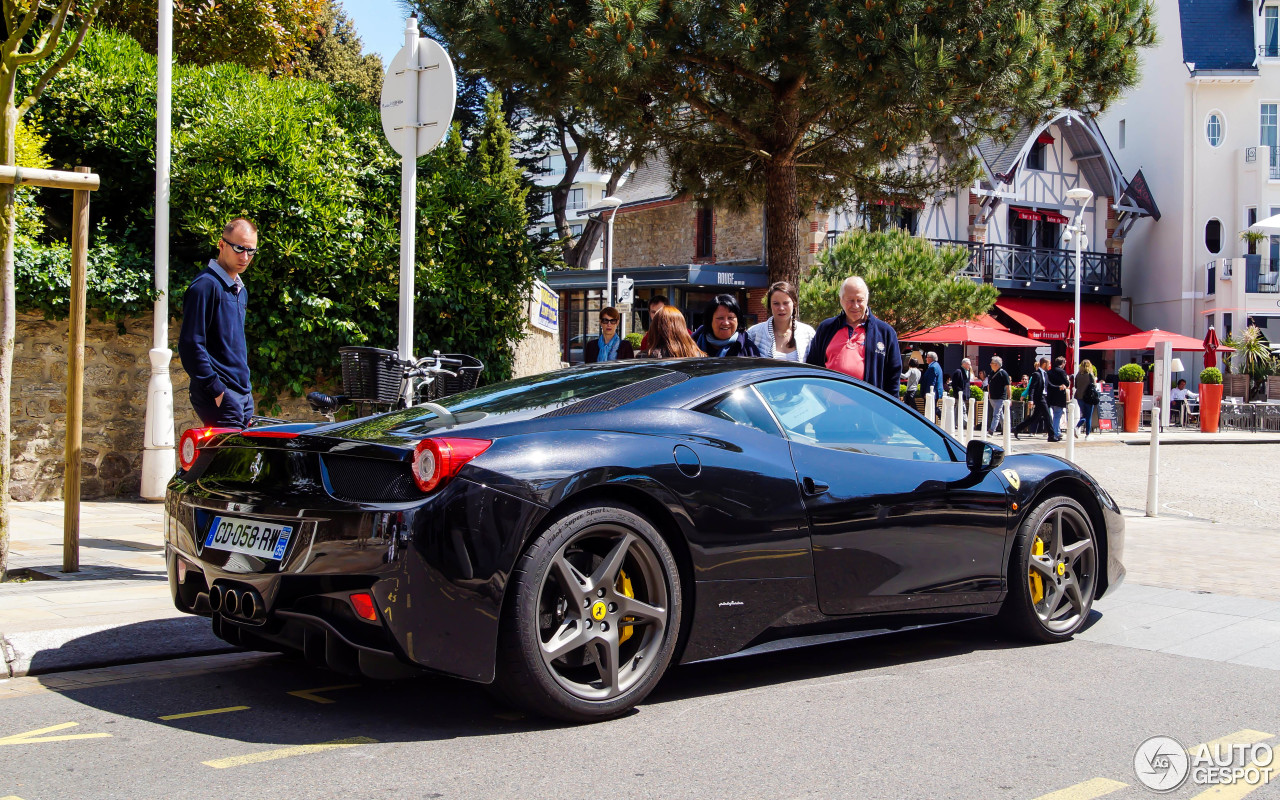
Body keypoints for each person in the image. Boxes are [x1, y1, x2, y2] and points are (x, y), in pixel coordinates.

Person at [179, 218, 258, 428]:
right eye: (239, 248)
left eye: (251, 251)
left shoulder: (240, 291)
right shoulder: (204, 286)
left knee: (239, 460)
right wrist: (216, 390)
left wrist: (246, 393)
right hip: (220, 396)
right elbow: (190, 345)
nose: (245, 257)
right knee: (222, 459)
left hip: (241, 396)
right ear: (222, 245)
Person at [805, 276, 903, 397]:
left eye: (859, 300)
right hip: (830, 408)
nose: (855, 305)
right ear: (841, 300)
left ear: (867, 300)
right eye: (850, 300)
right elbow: (813, 368)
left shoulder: (885, 333)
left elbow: (893, 377)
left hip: (867, 409)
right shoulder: (826, 328)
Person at [746, 281, 816, 361]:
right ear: (770, 305)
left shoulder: (808, 334)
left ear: (794, 304)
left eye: (786, 303)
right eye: (776, 303)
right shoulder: (754, 334)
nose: (781, 308)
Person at [692, 294, 759, 357]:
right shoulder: (692, 344)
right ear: (710, 320)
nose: (726, 323)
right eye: (720, 318)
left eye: (730, 318)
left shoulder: (748, 349)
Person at [1015, 357, 1052, 439]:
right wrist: (1030, 400)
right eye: (1048, 364)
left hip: (1044, 397)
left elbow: (1048, 385)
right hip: (1039, 398)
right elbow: (1032, 388)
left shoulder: (1046, 374)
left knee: (1034, 417)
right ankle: (1052, 436)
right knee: (1047, 415)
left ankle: (1017, 429)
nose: (1049, 366)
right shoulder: (1036, 374)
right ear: (1044, 364)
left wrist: (1059, 386)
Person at [1047, 356, 1070, 442]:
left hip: (1050, 396)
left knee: (1054, 415)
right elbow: (1067, 383)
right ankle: (1055, 432)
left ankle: (1057, 431)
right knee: (1057, 415)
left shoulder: (1049, 372)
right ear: (1063, 363)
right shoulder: (1062, 372)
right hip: (1059, 396)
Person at [1075, 359, 1099, 438]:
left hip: (1079, 397)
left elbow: (1076, 386)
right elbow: (1094, 386)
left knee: (1084, 414)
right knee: (1088, 416)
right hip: (1088, 397)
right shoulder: (1090, 375)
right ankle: (1086, 434)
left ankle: (1077, 427)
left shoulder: (1078, 375)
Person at [987, 356, 1011, 434]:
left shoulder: (1003, 373)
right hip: (992, 397)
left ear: (996, 364)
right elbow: (989, 384)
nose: (990, 364)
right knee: (999, 414)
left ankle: (991, 430)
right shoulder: (991, 373)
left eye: (992, 363)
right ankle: (1006, 428)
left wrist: (1009, 398)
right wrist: (989, 395)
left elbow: (1008, 386)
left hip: (1000, 397)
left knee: (996, 414)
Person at [949, 357, 973, 431]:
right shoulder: (958, 372)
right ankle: (967, 423)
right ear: (964, 364)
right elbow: (954, 384)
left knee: (958, 409)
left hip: (965, 394)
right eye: (968, 364)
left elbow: (967, 383)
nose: (970, 366)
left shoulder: (968, 372)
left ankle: (954, 423)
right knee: (963, 409)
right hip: (959, 394)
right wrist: (959, 392)